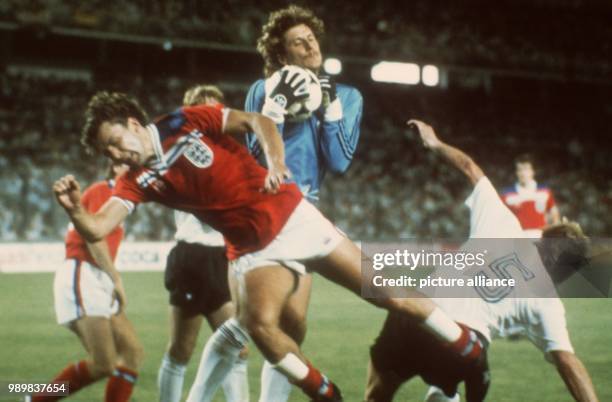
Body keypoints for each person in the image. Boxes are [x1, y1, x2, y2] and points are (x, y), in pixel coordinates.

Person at [54, 91, 485, 402]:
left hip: (292, 216)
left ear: (133, 124)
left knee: (386, 293)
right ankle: (322, 390)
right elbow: (96, 228)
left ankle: (466, 344)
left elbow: (258, 122)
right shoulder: (135, 181)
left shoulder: (185, 120)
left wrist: (276, 163)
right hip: (251, 249)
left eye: (115, 141)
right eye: (106, 151)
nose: (116, 154)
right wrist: (75, 209)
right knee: (257, 327)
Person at [191, 6, 364, 401]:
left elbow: (338, 161)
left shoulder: (350, 96)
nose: (309, 46)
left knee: (293, 324)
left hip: (305, 213)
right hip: (262, 209)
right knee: (254, 321)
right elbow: (255, 153)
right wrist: (279, 105)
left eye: (311, 38)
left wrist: (331, 108)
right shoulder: (263, 88)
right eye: (297, 42)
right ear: (282, 55)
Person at [364, 120, 599, 402]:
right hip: (459, 345)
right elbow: (568, 362)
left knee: (377, 394)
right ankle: (444, 390)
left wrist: (435, 143)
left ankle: (442, 391)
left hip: (415, 312)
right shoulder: (546, 299)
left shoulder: (503, 224)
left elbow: (470, 168)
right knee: (456, 375)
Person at [157, 85, 248, 402]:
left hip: (222, 258)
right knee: (181, 349)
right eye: (205, 108)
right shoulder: (180, 150)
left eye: (217, 108)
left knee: (238, 349)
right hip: (193, 257)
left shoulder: (229, 152)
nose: (214, 114)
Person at [35, 161, 143, 402]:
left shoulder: (123, 197)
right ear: (115, 167)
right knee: (104, 364)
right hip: (82, 274)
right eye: (128, 163)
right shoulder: (103, 190)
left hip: (97, 276)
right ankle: (33, 398)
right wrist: (116, 277)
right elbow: (94, 238)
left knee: (132, 353)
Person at [501, 153, 560, 238]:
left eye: (526, 169)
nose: (522, 173)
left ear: (533, 171)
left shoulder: (544, 192)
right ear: (516, 172)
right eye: (519, 170)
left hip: (540, 237)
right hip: (517, 238)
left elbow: (554, 214)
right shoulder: (507, 195)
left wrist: (555, 234)